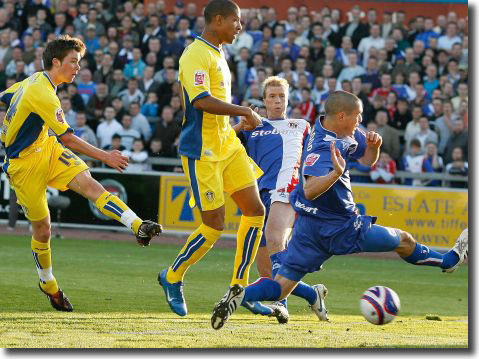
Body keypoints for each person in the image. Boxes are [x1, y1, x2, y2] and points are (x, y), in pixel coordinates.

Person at [210, 91, 468, 330]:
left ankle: (240, 294)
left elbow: (366, 160)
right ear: (343, 116)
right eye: (358, 116)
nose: (361, 121)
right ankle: (448, 261)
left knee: (280, 289)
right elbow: (310, 189)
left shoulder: (345, 130)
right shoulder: (323, 145)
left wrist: (374, 148)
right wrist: (335, 173)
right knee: (403, 240)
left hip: (308, 230)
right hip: (342, 227)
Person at [0, 35, 162, 312]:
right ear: (55, 62)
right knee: (43, 229)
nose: (78, 68)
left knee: (90, 185)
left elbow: (5, 97)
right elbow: (70, 139)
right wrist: (106, 156)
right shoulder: (42, 92)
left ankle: (138, 225)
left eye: (79, 62)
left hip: (46, 148)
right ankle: (47, 283)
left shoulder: (33, 81)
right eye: (73, 62)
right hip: (24, 166)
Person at [158, 0, 265, 317]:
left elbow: (212, 112)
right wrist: (245, 110)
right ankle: (172, 276)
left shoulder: (219, 53)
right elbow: (201, 102)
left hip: (227, 143)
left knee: (255, 211)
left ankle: (238, 288)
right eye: (236, 21)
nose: (240, 27)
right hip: (201, 151)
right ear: (218, 20)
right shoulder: (194, 54)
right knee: (214, 225)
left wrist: (235, 125)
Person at [235, 76, 325, 320]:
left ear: (287, 99)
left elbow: (314, 161)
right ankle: (310, 295)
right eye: (272, 97)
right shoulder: (252, 128)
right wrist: (238, 128)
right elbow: (222, 147)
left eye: (281, 96)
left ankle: (282, 302)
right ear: (264, 100)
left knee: (276, 238)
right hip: (259, 195)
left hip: (288, 190)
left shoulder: (302, 125)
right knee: (268, 273)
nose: (277, 101)